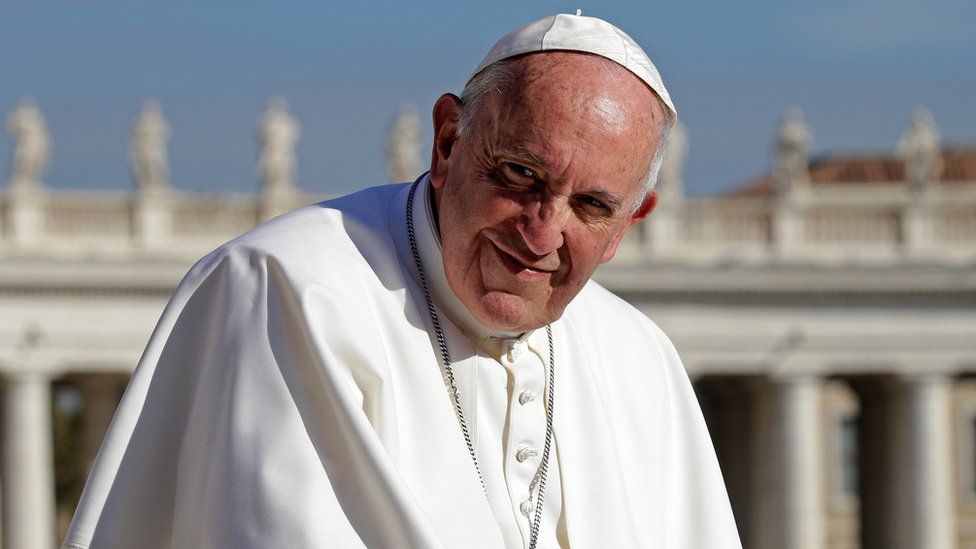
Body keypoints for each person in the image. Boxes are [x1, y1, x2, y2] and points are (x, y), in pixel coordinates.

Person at [64, 12, 741, 549]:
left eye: (592, 207)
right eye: (520, 175)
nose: (541, 233)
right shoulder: (286, 291)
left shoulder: (641, 358)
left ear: (629, 224)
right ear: (447, 142)